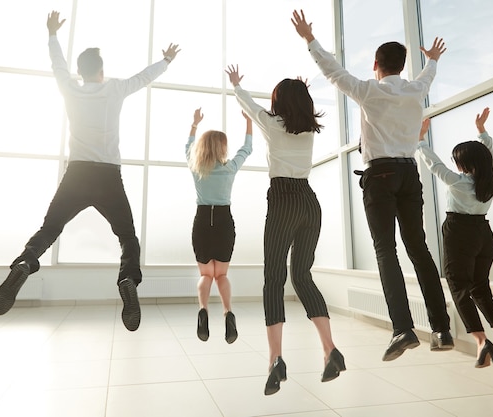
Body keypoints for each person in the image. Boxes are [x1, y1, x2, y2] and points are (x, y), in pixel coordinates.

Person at [0, 11, 180, 332]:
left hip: (76, 174)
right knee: (127, 237)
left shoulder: (70, 88)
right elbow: (144, 77)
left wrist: (52, 34)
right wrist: (166, 61)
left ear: (80, 72)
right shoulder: (115, 89)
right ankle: (126, 279)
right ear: (102, 72)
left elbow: (57, 65)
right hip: (107, 176)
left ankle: (26, 262)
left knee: (49, 229)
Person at [292, 9, 453, 362]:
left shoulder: (369, 91)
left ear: (377, 65)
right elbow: (427, 76)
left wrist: (310, 39)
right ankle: (441, 329)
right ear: (401, 65)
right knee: (419, 250)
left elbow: (333, 71)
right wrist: (434, 61)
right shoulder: (415, 90)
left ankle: (403, 328)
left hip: (379, 175)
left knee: (386, 251)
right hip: (410, 173)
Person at [225, 65, 345, 395]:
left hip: (283, 200)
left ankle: (275, 359)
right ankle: (330, 349)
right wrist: (300, 92)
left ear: (279, 103)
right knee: (302, 277)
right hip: (310, 202)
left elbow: (250, 106)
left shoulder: (273, 125)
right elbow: (293, 107)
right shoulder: (308, 129)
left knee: (274, 278)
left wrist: (236, 84)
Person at [417, 108, 493, 367]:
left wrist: (420, 138)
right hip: (484, 235)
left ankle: (480, 342)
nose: (455, 165)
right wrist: (482, 131)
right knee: (480, 288)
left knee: (458, 285)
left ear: (464, 165)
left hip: (459, 232)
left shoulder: (458, 182)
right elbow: (490, 155)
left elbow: (434, 164)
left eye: (458, 161)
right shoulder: (491, 179)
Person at [185, 108, 253, 344]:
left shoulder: (196, 168)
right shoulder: (230, 168)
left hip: (202, 221)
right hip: (224, 222)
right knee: (221, 274)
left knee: (206, 274)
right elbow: (247, 149)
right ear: (222, 148)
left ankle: (203, 311)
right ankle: (228, 313)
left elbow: (188, 149)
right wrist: (249, 123)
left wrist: (194, 125)